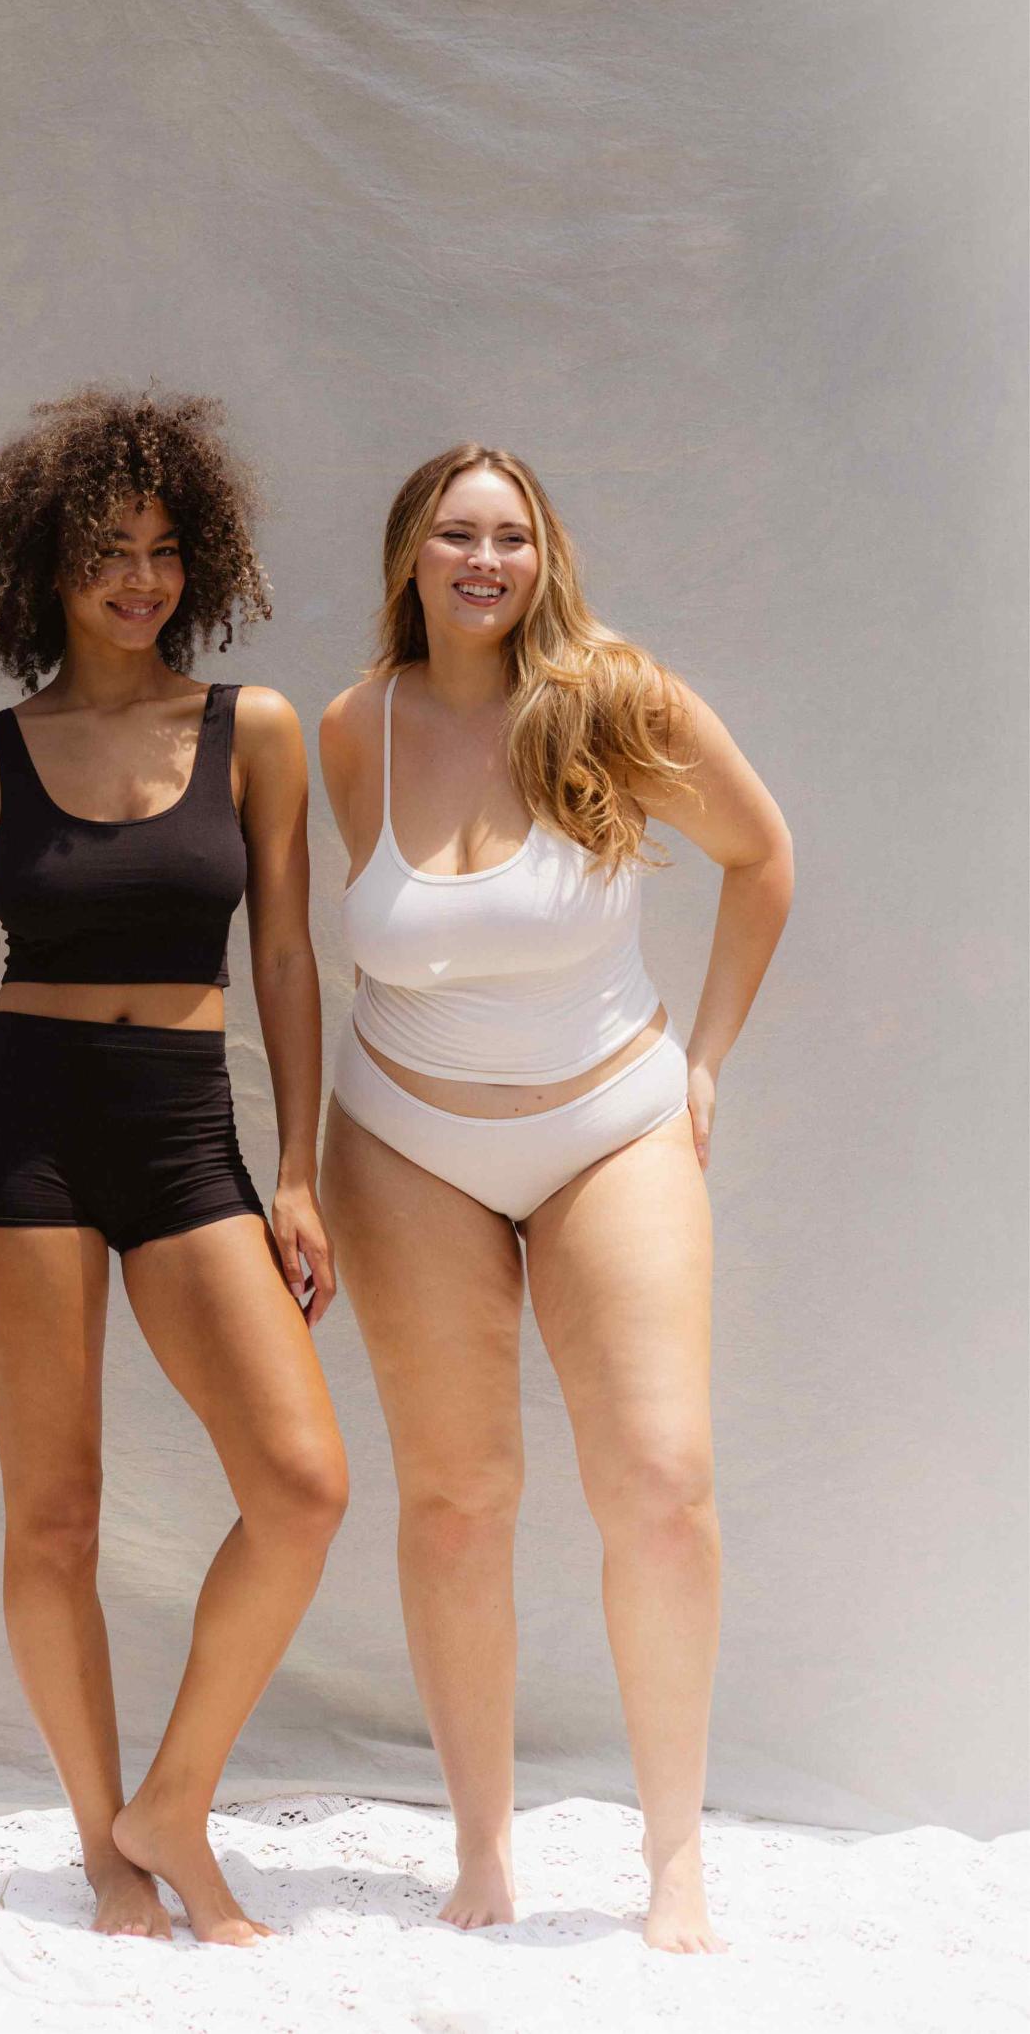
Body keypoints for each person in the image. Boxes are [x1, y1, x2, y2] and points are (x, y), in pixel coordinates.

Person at [0, 384, 346, 1947]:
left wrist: (297, 1172)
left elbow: (286, 959)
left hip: (181, 1125)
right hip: (19, 1135)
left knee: (301, 1486)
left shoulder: (252, 730)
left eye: (161, 550)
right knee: (55, 1515)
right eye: (106, 552)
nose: (139, 580)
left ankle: (174, 1802)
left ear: (195, 556)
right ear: (47, 567)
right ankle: (108, 1853)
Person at [318, 442, 793, 1955]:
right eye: (456, 534)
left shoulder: (614, 700)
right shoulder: (352, 727)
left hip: (609, 1126)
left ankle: (674, 1855)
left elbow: (762, 857)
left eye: (511, 537)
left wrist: (704, 1061)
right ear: (410, 554)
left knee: (661, 1483)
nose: (485, 561)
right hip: (405, 1141)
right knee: (458, 1502)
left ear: (546, 557)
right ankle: (481, 1844)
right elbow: (361, 941)